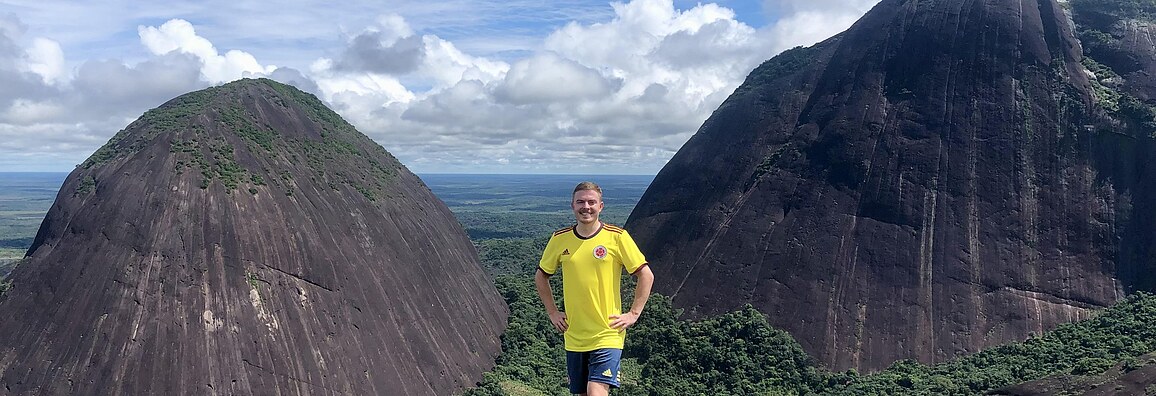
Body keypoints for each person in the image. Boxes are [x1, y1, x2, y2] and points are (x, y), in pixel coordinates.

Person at [535, 181, 655, 396]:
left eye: (591, 202)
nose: (586, 206)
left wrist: (634, 314)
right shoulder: (559, 239)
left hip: (607, 331)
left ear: (601, 206)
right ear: (572, 205)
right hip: (574, 334)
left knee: (596, 390)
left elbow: (646, 275)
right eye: (580, 202)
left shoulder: (617, 237)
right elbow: (541, 275)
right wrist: (552, 312)